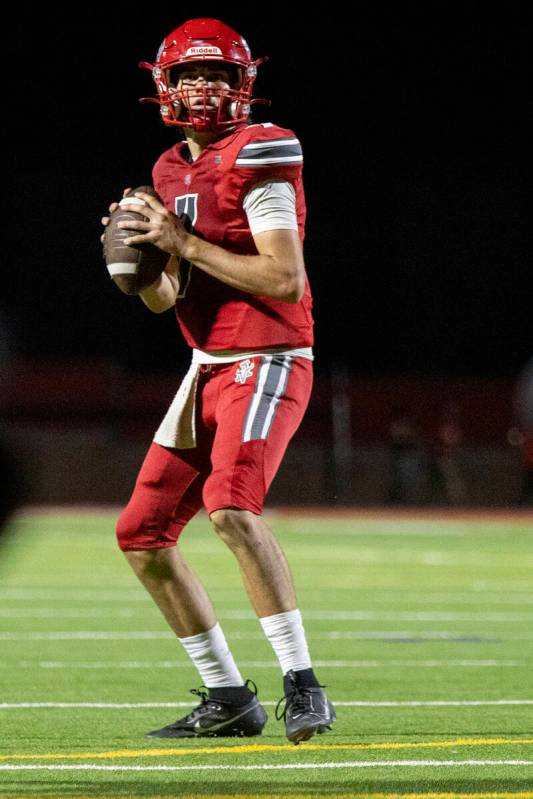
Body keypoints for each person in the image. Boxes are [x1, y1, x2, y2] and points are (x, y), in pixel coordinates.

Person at [101, 18, 335, 744]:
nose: (205, 89)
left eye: (221, 76)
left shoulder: (264, 148)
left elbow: (282, 276)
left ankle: (303, 683)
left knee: (230, 506)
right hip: (206, 364)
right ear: (162, 87)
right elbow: (169, 294)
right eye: (191, 76)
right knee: (141, 533)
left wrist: (181, 241)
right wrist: (140, 265)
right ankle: (228, 695)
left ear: (245, 85)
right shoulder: (169, 170)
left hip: (269, 353)